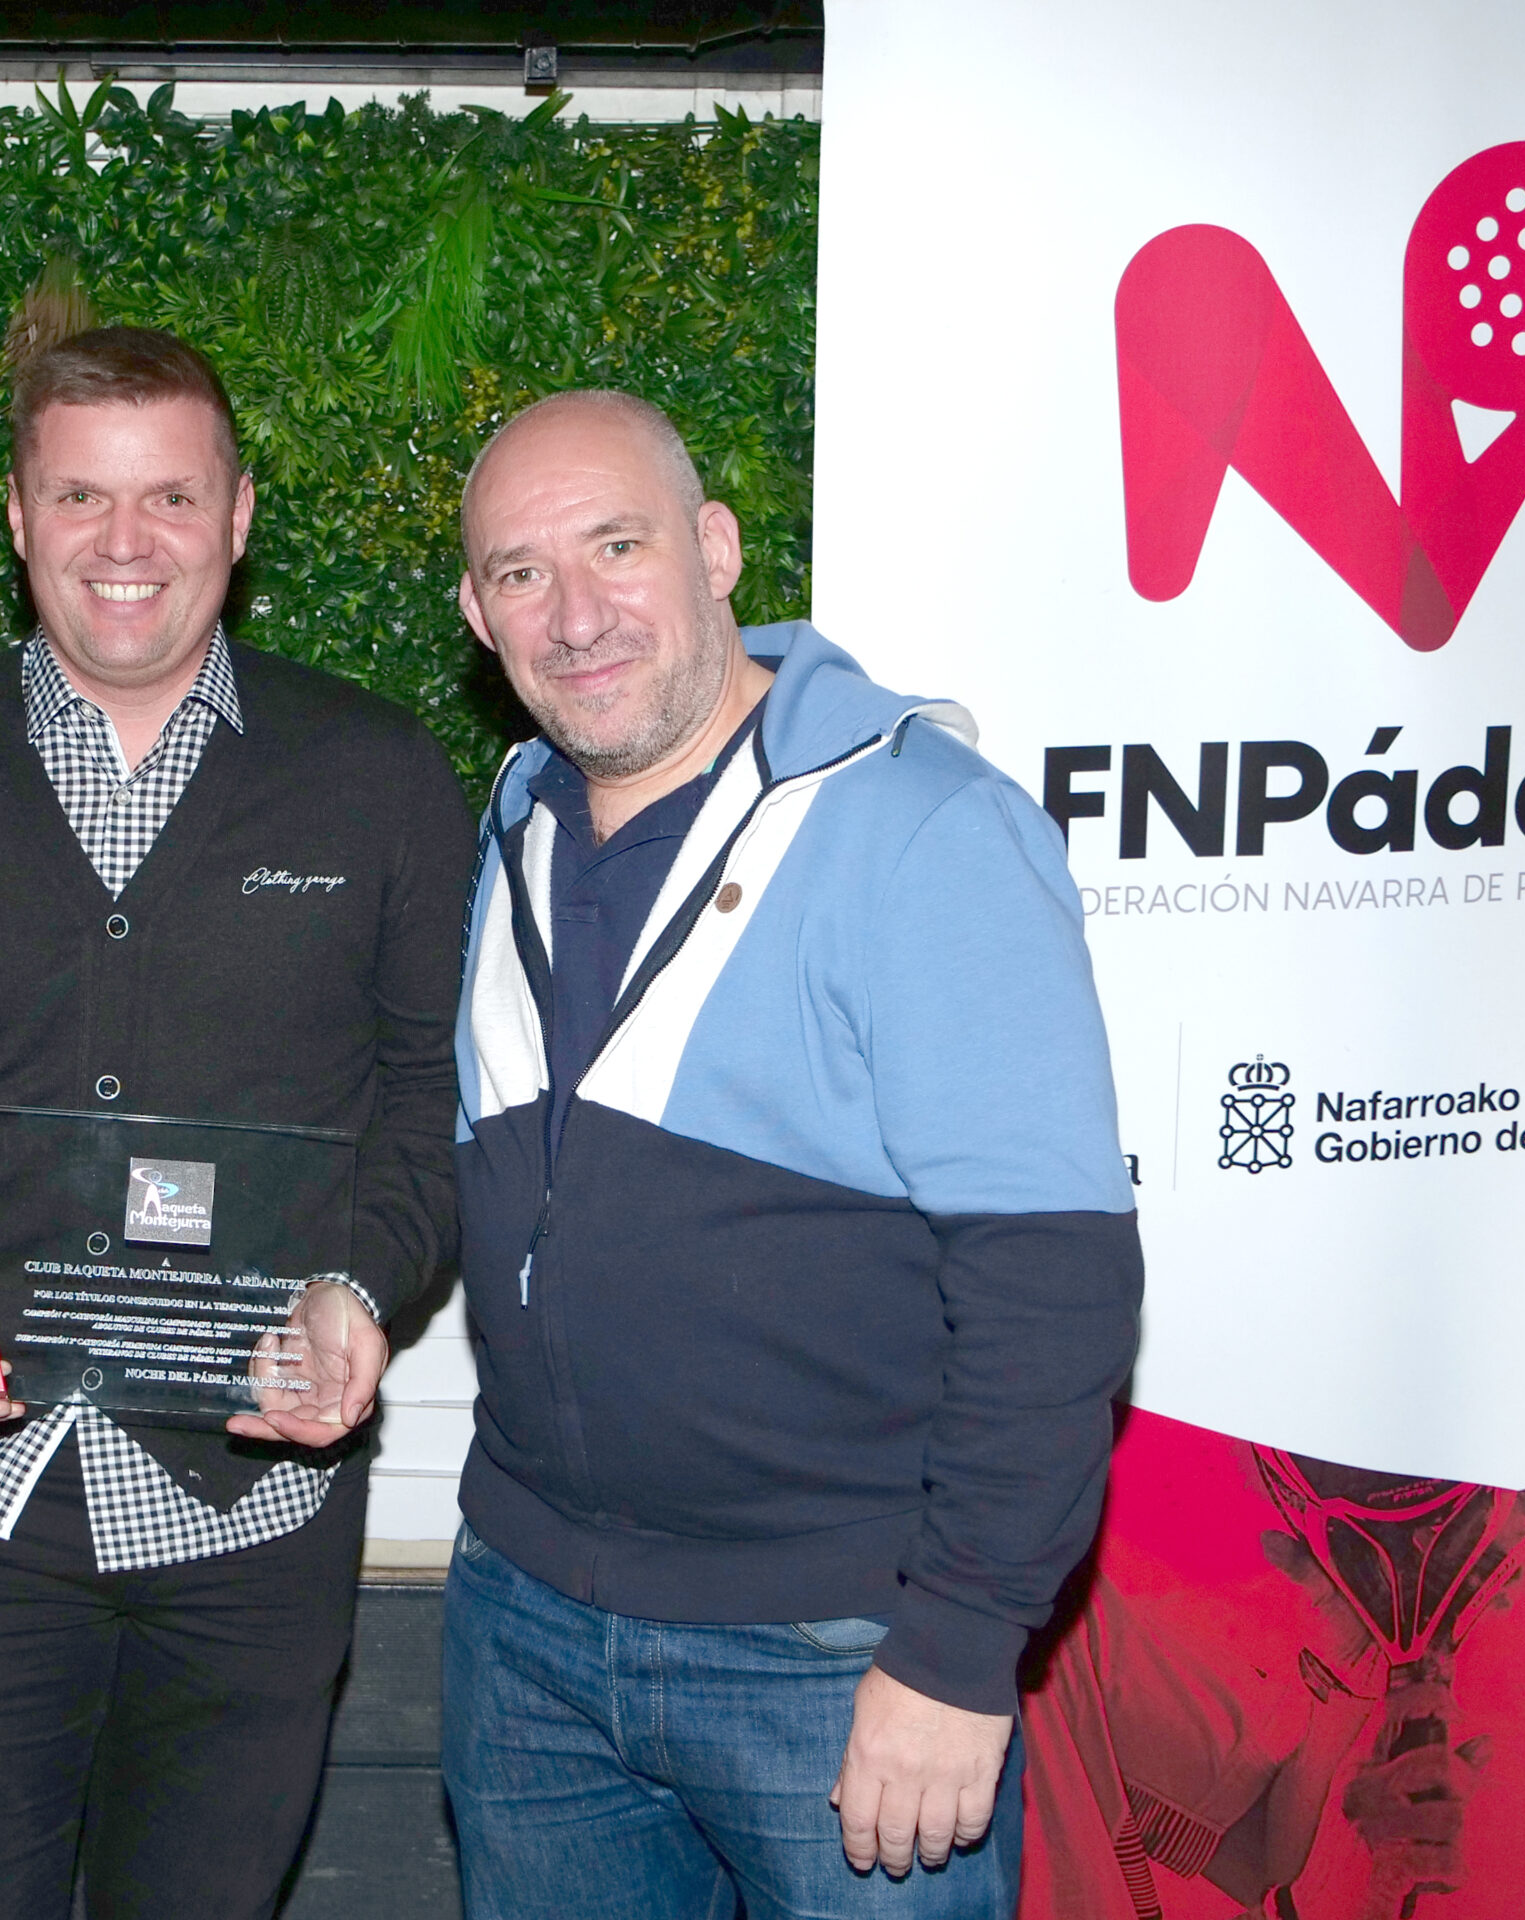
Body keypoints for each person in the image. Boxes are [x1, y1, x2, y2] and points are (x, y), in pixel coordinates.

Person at [0, 324, 472, 1920]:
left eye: (170, 496)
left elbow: (432, 1099)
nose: (124, 542)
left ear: (238, 516)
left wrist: (362, 1290)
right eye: (80, 495)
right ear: (18, 515)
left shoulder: (380, 778)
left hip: (255, 1509)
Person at [441, 389, 1143, 1920]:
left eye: (617, 547)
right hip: (526, 1625)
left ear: (714, 550)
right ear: (481, 623)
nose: (575, 615)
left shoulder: (920, 827)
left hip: (835, 1651)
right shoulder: (518, 822)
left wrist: (958, 1649)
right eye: (520, 574)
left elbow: (1053, 1283)